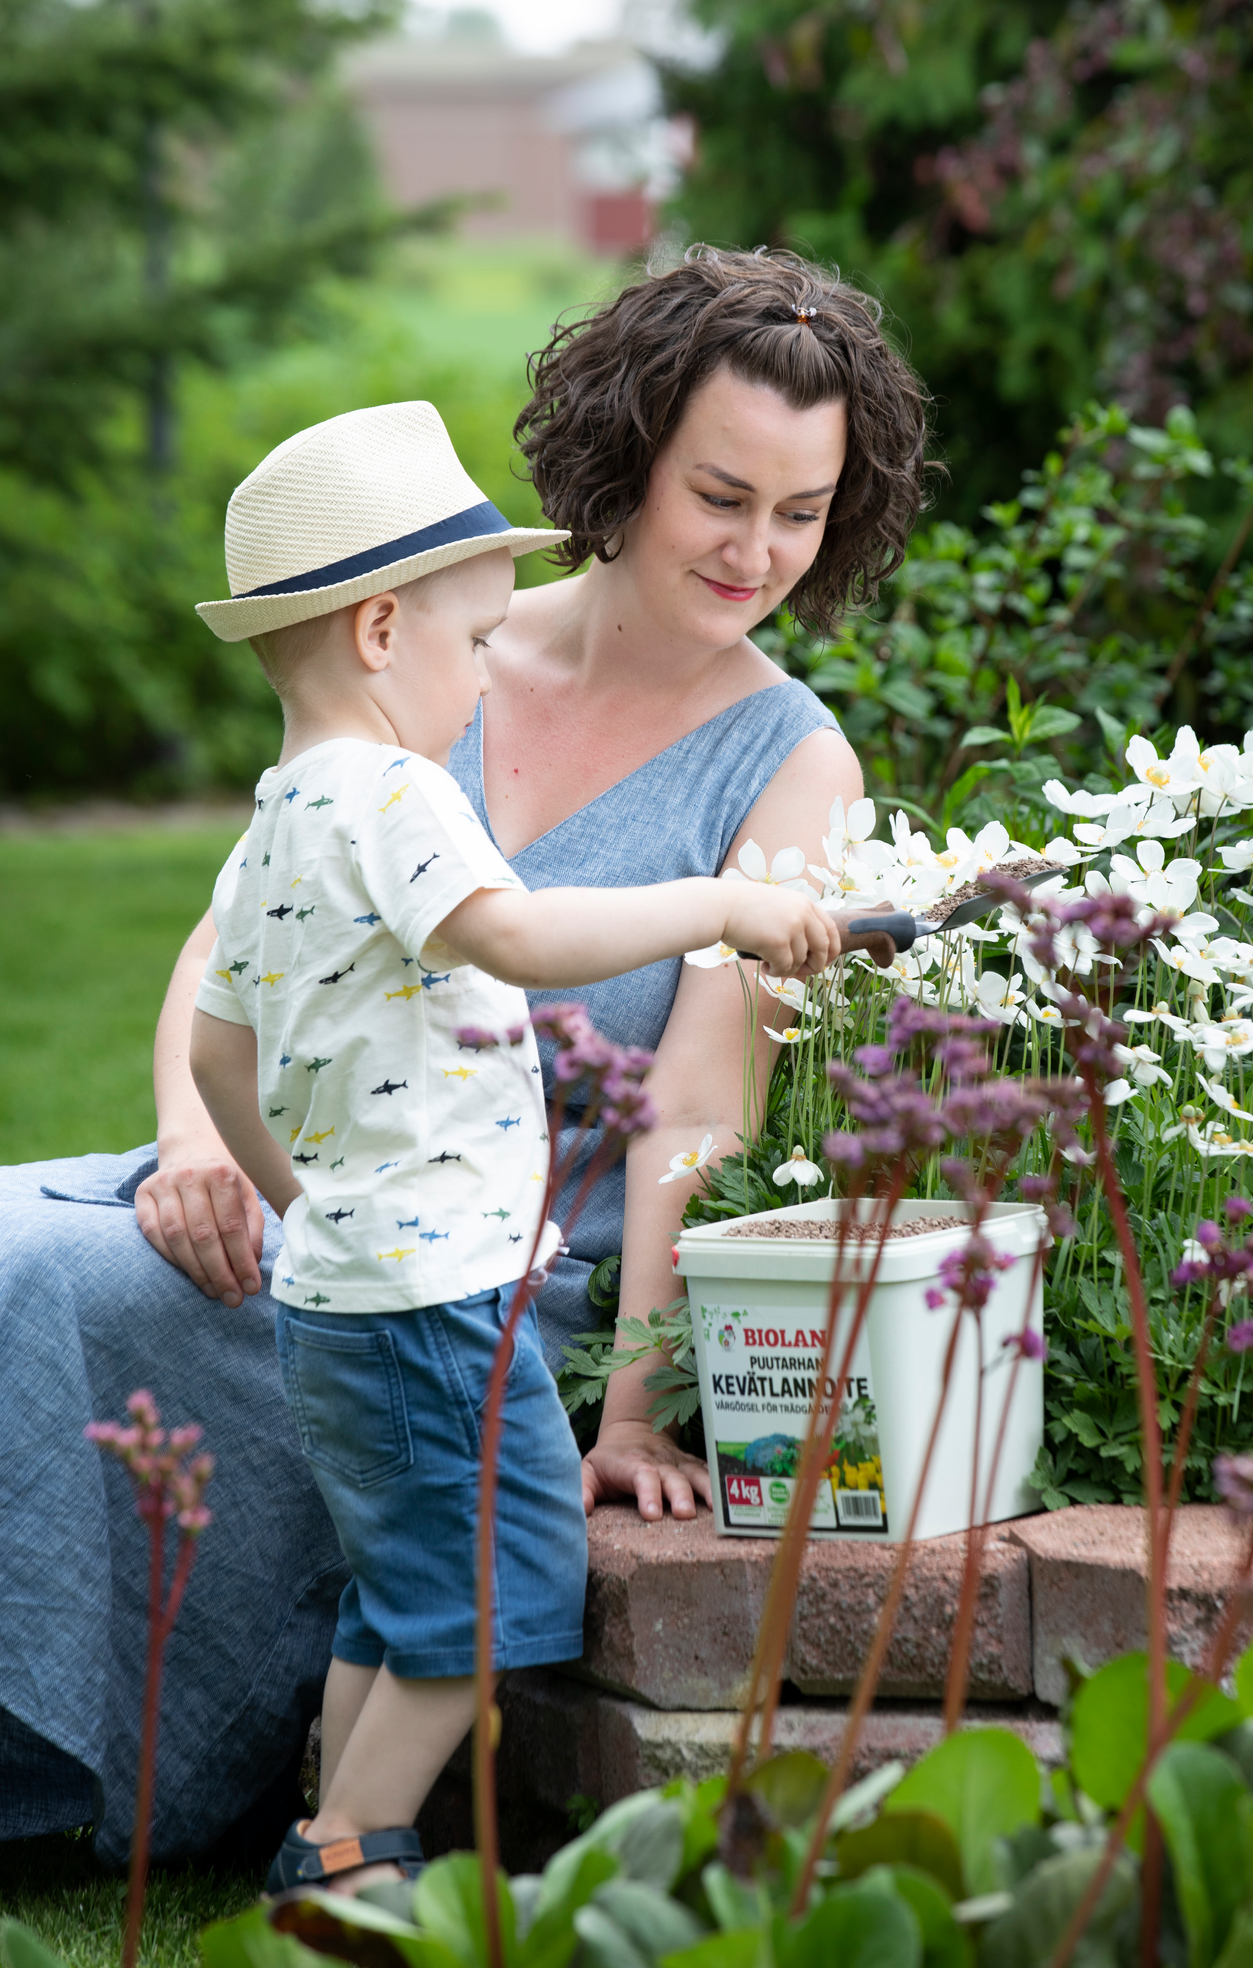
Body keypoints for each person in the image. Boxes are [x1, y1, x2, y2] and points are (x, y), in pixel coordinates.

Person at [0, 245, 927, 1860]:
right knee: (18, 1253)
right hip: (300, 1188)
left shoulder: (792, 766)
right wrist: (200, 1143)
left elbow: (694, 1112)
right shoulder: (437, 646)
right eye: (722, 493)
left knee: (56, 1295)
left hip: (479, 1269)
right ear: (628, 451)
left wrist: (630, 1404)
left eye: (804, 510)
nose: (759, 551)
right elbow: (236, 946)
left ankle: (156, 1791)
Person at [185, 398, 837, 1891]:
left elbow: (223, 1052)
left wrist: (305, 1199)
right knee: (492, 1585)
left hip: (346, 1285)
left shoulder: (279, 816)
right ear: (378, 630)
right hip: (436, 1301)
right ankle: (352, 1857)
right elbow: (521, 934)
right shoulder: (401, 794)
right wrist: (721, 908)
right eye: (473, 645)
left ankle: (329, 1828)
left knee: (399, 1585)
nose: (488, 676)